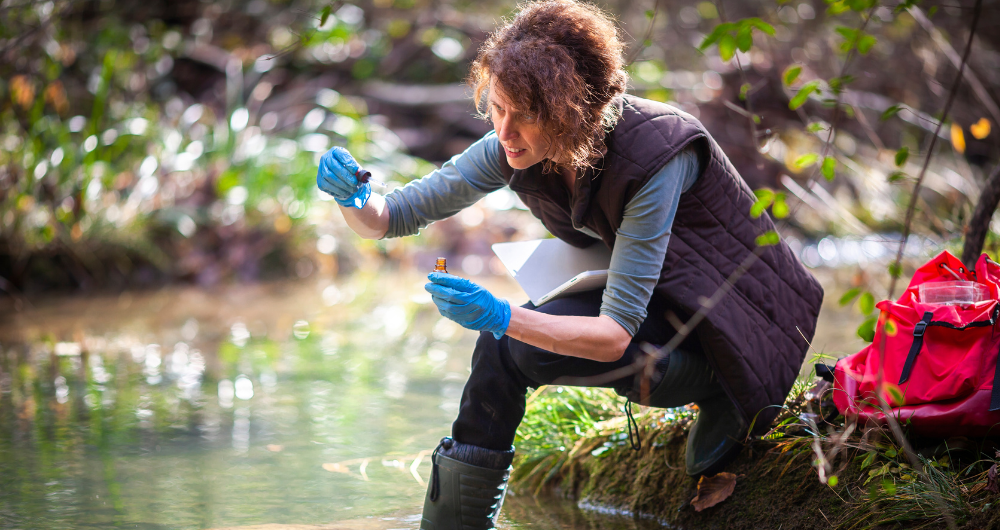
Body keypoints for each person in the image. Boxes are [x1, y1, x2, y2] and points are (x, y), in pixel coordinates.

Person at [316, 1, 824, 527]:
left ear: (570, 111)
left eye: (526, 115)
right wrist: (353, 199)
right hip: (665, 296)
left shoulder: (659, 153)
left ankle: (724, 389)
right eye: (497, 108)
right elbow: (391, 217)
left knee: (513, 336)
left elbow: (611, 338)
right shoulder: (513, 144)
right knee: (504, 350)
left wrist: (502, 315)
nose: (505, 132)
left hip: (737, 325)